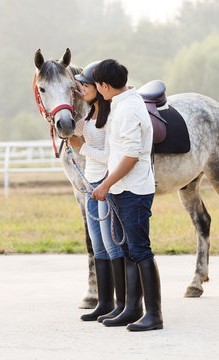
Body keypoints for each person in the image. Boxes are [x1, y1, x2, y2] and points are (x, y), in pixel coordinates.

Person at [91, 59, 163, 331]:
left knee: (140, 250)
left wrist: (105, 184)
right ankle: (133, 309)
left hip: (133, 190)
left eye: (98, 86)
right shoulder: (121, 105)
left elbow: (132, 156)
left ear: (105, 86)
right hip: (123, 189)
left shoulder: (129, 110)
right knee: (127, 250)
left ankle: (154, 314)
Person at [68, 61, 126, 322]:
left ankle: (121, 303)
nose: (81, 88)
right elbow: (70, 131)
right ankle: (104, 302)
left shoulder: (111, 117)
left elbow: (110, 157)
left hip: (104, 184)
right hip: (90, 185)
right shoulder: (90, 115)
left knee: (112, 246)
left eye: (85, 85)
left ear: (99, 88)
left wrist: (82, 148)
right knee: (99, 246)